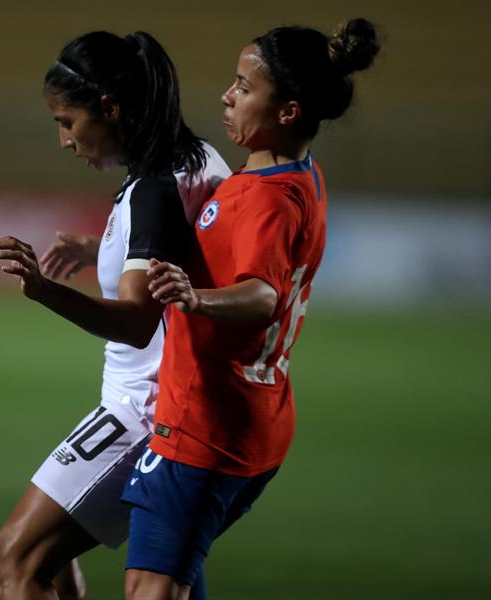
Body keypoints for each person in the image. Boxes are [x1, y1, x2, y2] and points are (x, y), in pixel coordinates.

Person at [121, 19, 381, 599]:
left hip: (206, 427)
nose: (226, 95)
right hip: (255, 421)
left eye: (243, 86)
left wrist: (194, 297)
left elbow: (262, 294)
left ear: (288, 111)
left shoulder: (268, 199)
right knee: (175, 578)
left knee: (149, 587)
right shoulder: (292, 175)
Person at [0, 31, 230, 599]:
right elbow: (183, 252)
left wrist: (45, 291)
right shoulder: (196, 158)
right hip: (179, 411)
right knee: (78, 566)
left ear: (110, 109)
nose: (65, 141)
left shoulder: (152, 188)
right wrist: (104, 249)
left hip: (141, 414)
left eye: (66, 122)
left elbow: (137, 319)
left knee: (13, 562)